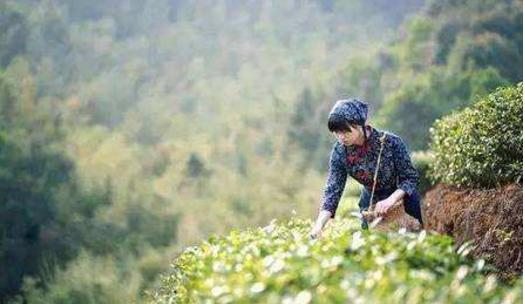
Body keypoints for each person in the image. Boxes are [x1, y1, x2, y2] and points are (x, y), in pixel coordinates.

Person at [309, 98, 423, 239]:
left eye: (345, 131)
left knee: (412, 240)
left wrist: (391, 200)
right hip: (370, 202)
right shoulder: (340, 152)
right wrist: (319, 226)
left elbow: (410, 177)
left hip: (403, 198)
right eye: (336, 132)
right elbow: (333, 190)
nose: (341, 137)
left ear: (359, 125)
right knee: (372, 245)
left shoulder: (390, 142)